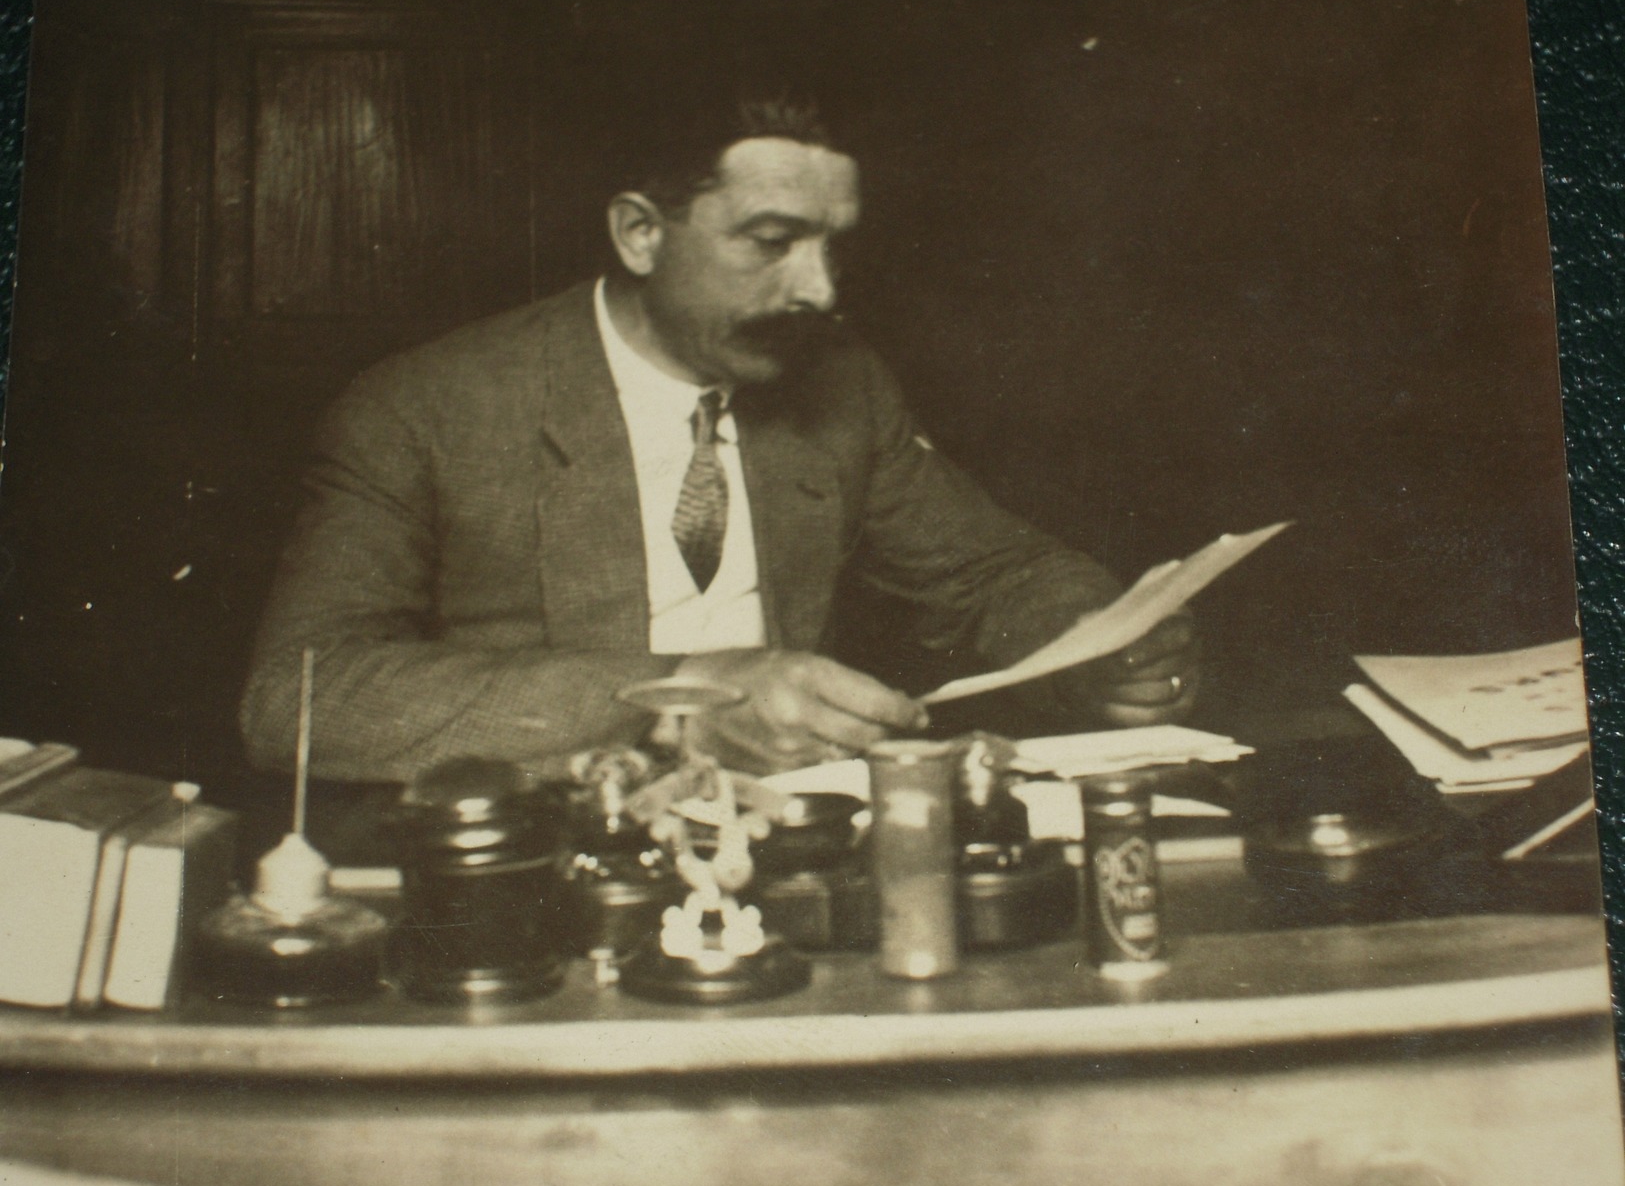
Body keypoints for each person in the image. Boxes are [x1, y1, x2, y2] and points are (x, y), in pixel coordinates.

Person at [240, 88, 1198, 785]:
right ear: (639, 235)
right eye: (771, 241)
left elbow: (994, 573)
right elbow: (300, 700)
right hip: (555, 849)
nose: (820, 292)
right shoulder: (424, 407)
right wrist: (685, 699)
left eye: (833, 246)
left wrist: (1093, 644)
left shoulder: (842, 386)